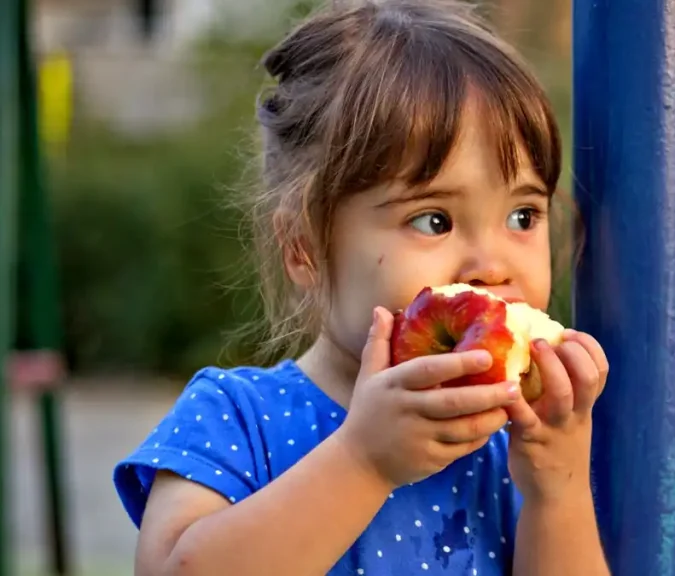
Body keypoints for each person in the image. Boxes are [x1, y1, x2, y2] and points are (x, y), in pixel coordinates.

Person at [112, 1, 611, 574]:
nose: (492, 266)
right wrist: (364, 462)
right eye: (435, 220)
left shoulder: (511, 448)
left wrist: (558, 492)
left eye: (523, 216)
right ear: (304, 246)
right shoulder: (237, 418)